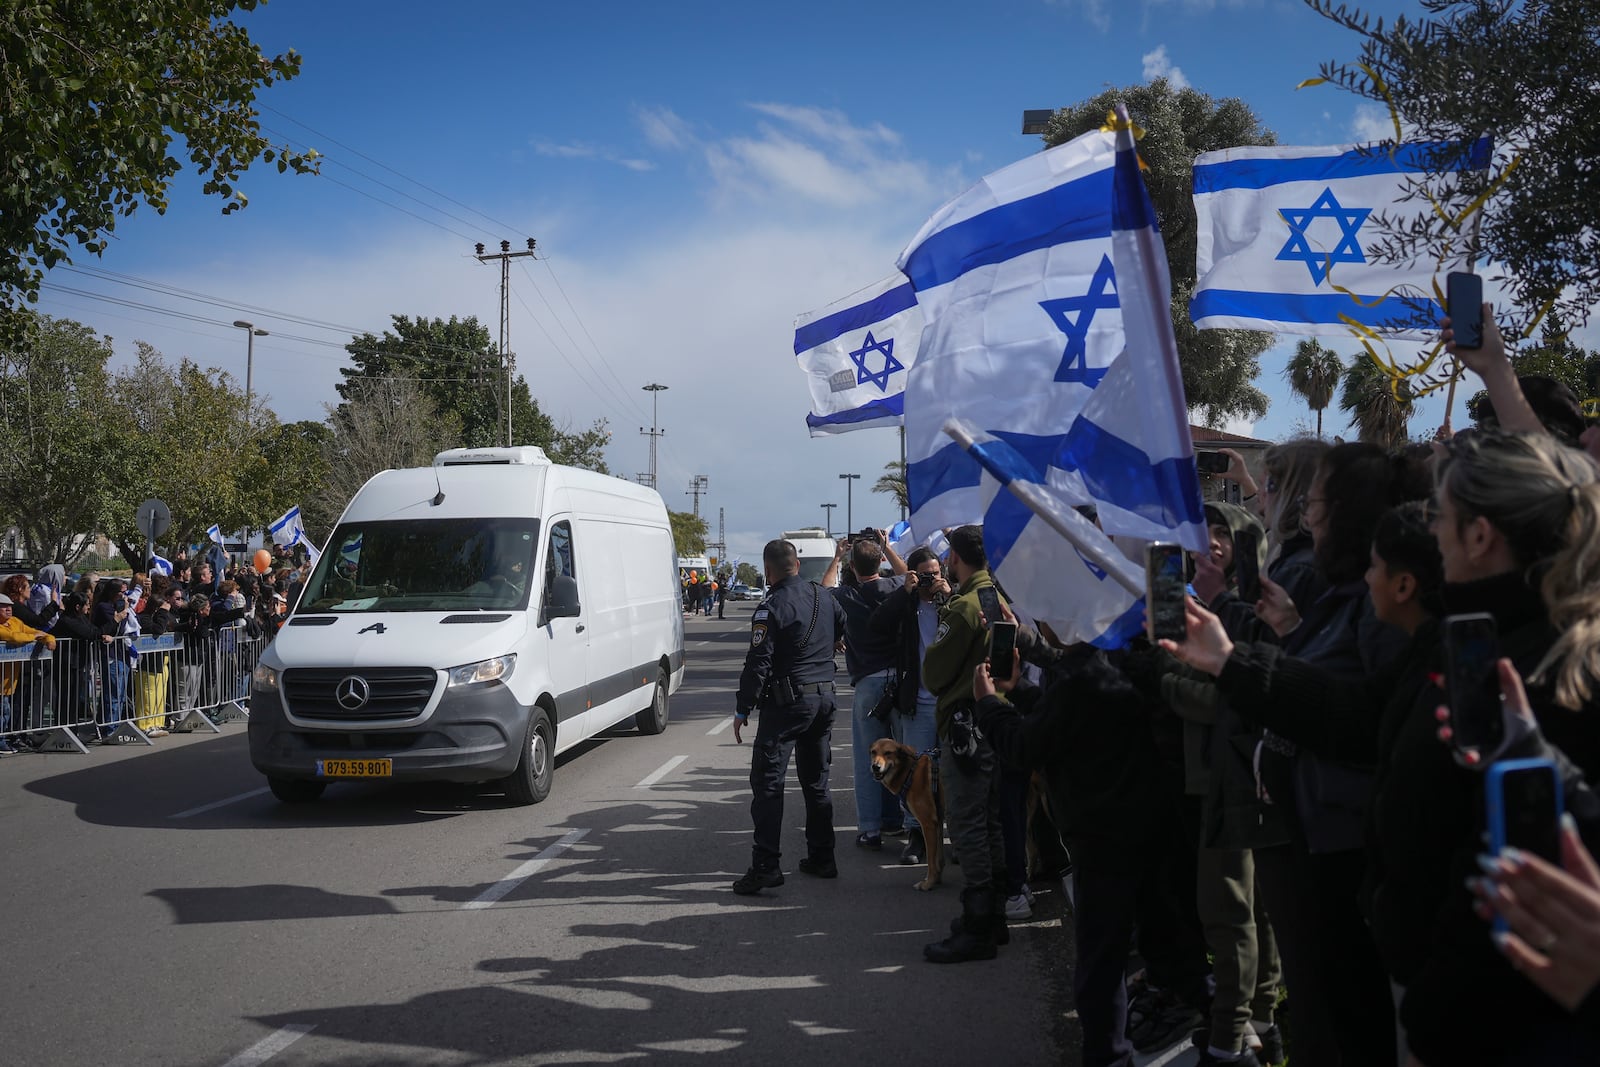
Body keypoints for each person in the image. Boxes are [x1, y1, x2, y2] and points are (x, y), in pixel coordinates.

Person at [729, 539, 847, 896]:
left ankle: (765, 866)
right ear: (797, 564)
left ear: (768, 571)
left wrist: (742, 708)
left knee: (768, 784)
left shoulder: (771, 606)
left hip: (788, 703)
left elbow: (758, 663)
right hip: (824, 698)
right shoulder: (824, 597)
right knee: (816, 782)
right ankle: (822, 857)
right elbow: (843, 627)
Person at [920, 525, 1012, 963]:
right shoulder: (993, 596)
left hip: (965, 726)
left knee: (967, 823)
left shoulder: (962, 607)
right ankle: (992, 919)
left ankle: (978, 927)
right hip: (992, 721)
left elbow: (933, 674)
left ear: (955, 557)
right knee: (988, 821)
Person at [823, 531, 908, 850]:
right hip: (900, 682)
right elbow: (907, 575)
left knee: (868, 757)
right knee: (899, 754)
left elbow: (824, 590)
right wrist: (887, 547)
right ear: (880, 562)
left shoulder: (846, 595)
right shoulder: (894, 587)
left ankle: (870, 828)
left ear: (854, 566)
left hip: (868, 683)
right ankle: (897, 820)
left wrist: (836, 557)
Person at [869, 545, 952, 867]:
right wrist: (905, 593)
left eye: (936, 574)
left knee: (954, 773)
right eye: (925, 575)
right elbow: (877, 625)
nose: (931, 581)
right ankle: (915, 835)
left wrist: (949, 595)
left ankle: (955, 839)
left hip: (951, 702)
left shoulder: (953, 601)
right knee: (912, 776)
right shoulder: (907, 604)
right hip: (917, 701)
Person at [0, 593, 57, 754]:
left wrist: (49, 639)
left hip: (10, 680)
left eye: (10, 607)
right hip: (3, 679)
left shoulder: (15, 621)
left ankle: (5, 739)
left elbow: (35, 631)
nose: (9, 610)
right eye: (4, 607)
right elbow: (12, 637)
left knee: (6, 710)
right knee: (3, 711)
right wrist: (34, 636)